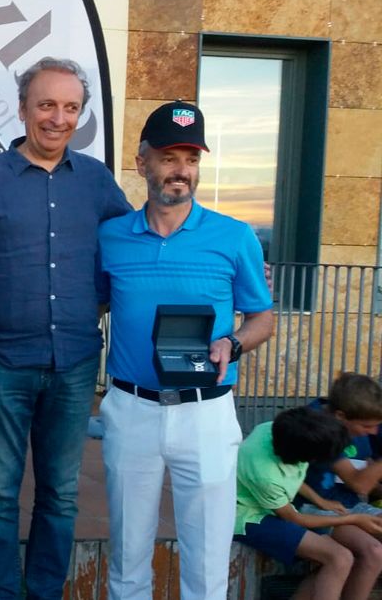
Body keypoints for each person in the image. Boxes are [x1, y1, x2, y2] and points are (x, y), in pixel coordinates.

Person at [0, 57, 131, 599]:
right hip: (0, 364)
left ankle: (43, 592)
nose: (57, 118)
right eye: (46, 105)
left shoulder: (95, 180)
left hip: (74, 362)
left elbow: (129, 249)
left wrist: (102, 298)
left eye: (70, 108)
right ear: (22, 110)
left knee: (61, 495)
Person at [98, 100, 275, 599]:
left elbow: (262, 318)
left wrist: (231, 344)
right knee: (128, 555)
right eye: (170, 157)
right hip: (132, 408)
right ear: (143, 163)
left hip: (207, 412)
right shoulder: (111, 237)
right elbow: (90, 303)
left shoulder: (235, 236)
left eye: (191, 159)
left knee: (208, 558)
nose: (182, 171)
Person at [236, 406, 382, 600]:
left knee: (343, 558)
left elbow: (291, 478)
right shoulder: (266, 475)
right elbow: (293, 517)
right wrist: (352, 518)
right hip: (249, 516)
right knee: (339, 558)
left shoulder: (278, 431)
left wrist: (322, 501)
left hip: (277, 505)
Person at [297, 373, 382, 517]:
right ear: (340, 416)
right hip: (312, 507)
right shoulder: (316, 427)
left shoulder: (354, 421)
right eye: (366, 426)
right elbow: (360, 485)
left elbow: (367, 480)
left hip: (349, 504)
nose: (373, 432)